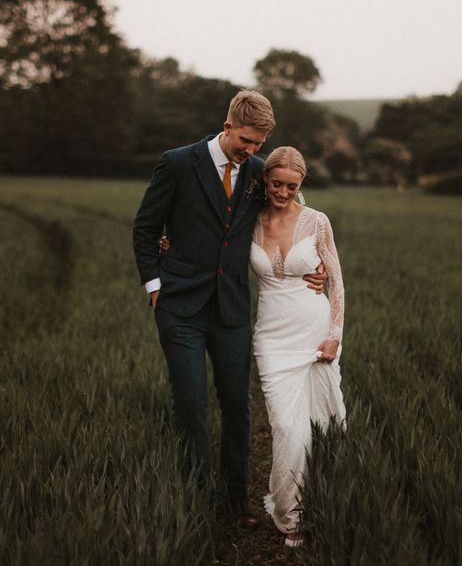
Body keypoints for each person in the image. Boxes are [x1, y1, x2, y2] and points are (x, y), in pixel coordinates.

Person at [132, 90, 327, 528]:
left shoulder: (259, 173)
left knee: (237, 403)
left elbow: (289, 214)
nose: (252, 151)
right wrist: (154, 284)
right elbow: (146, 226)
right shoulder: (179, 163)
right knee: (190, 402)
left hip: (232, 309)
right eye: (246, 140)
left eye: (259, 144)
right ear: (227, 126)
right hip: (179, 306)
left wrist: (316, 268)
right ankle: (199, 497)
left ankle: (236, 499)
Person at [250, 146, 346, 547]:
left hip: (315, 330)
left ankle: (327, 501)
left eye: (292, 186)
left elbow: (337, 282)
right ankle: (289, 517)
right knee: (287, 428)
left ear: (300, 184)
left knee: (325, 421)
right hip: (271, 338)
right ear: (265, 180)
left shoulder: (317, 222)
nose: (283, 192)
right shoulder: (247, 222)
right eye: (276, 184)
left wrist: (335, 335)